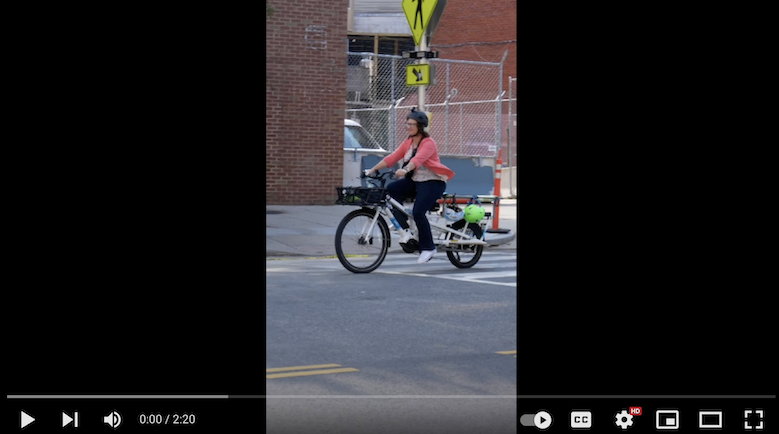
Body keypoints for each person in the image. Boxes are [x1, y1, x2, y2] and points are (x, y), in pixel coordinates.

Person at [364, 109, 455, 263]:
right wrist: (372, 169)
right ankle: (404, 227)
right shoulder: (408, 143)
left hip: (432, 182)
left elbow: (418, 160)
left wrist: (405, 169)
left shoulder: (428, 143)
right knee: (391, 190)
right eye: (408, 123)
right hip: (415, 181)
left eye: (412, 124)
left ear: (420, 126)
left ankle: (428, 248)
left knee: (418, 212)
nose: (409, 126)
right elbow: (392, 158)